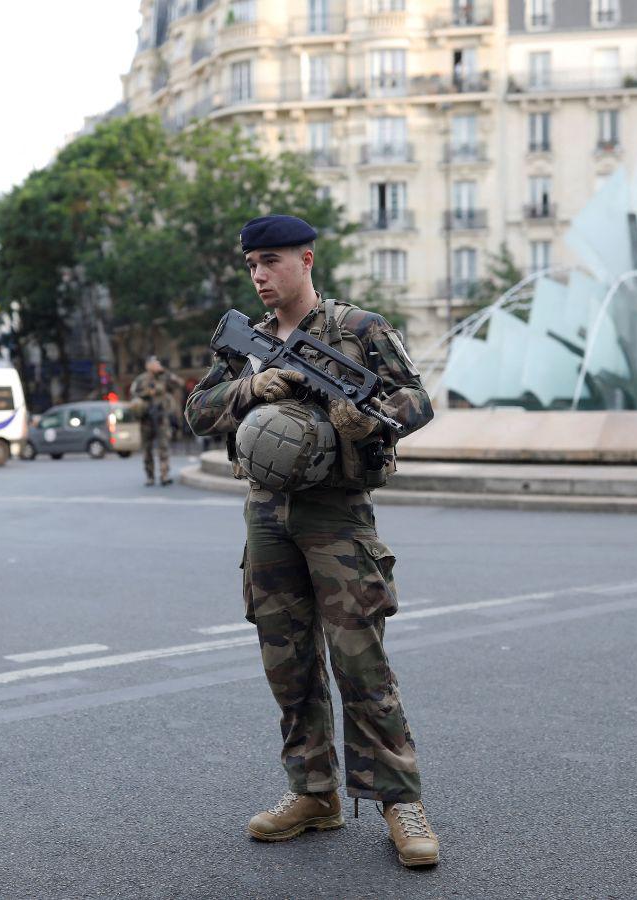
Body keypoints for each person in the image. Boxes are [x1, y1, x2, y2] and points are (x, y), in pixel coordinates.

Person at [184, 215, 439, 867]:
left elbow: (416, 402)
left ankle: (400, 801)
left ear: (306, 260)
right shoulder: (248, 340)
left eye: (271, 262)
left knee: (360, 661)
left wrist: (364, 422)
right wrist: (251, 386)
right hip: (267, 514)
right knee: (286, 659)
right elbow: (198, 411)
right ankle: (314, 792)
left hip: (336, 512)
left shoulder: (358, 330)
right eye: (251, 266)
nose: (261, 275)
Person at [130, 355, 184, 486]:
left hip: (161, 418)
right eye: (155, 363)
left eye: (158, 363)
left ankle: (164, 475)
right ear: (148, 365)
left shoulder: (164, 377)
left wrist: (164, 371)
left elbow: (179, 383)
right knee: (147, 449)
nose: (157, 365)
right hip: (146, 419)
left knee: (163, 447)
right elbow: (134, 394)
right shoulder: (141, 379)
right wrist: (148, 392)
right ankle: (150, 476)